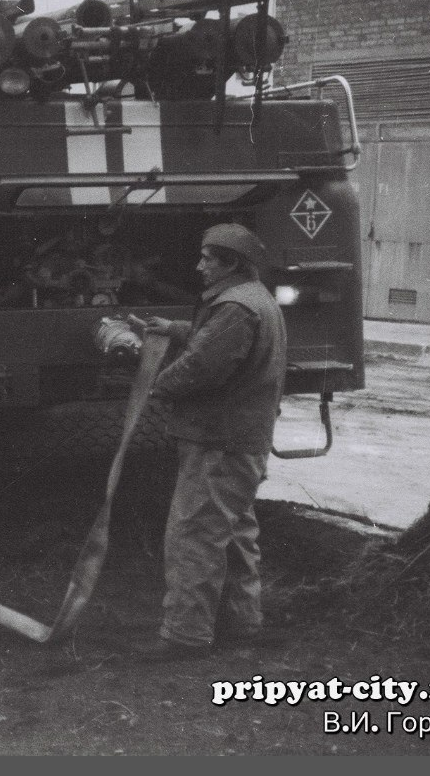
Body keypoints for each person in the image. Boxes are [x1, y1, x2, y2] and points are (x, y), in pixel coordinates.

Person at [128, 223, 288, 662]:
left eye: (207, 258)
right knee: (233, 532)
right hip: (240, 440)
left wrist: (151, 384)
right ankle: (241, 624)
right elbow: (216, 340)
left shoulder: (235, 308)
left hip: (218, 441)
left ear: (232, 263)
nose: (199, 266)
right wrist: (175, 328)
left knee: (195, 534)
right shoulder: (252, 300)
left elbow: (201, 366)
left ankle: (184, 636)